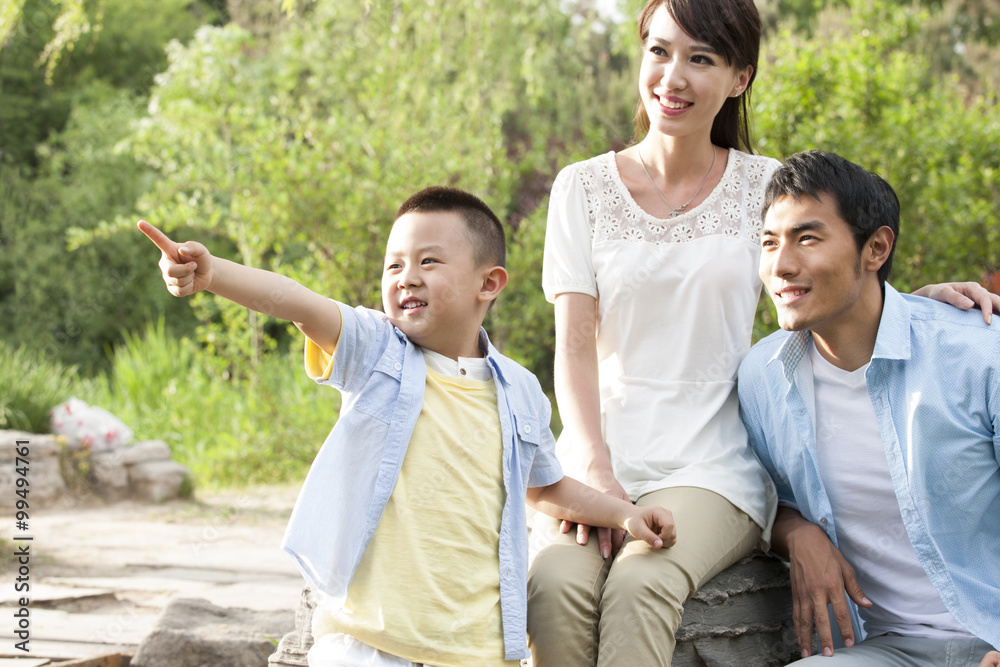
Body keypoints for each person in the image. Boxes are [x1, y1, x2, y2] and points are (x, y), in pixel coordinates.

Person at [526, 0, 998, 664]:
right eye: (659, 51)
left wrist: (916, 305)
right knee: (553, 583)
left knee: (641, 580)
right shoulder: (582, 188)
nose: (673, 76)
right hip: (602, 450)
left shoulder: (760, 185)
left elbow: (818, 278)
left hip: (713, 459)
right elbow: (573, 343)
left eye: (701, 58)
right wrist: (595, 469)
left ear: (739, 78)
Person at [137, 186, 677, 667]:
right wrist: (214, 274)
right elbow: (295, 302)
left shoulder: (518, 390)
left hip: (476, 649)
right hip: (369, 640)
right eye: (394, 265)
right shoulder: (377, 352)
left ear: (488, 283)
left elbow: (546, 486)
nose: (406, 277)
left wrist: (625, 516)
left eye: (429, 261)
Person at [738, 150, 1000, 667]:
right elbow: (765, 497)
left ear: (875, 248)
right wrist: (796, 533)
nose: (780, 265)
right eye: (769, 242)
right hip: (881, 649)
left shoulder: (976, 354)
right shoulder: (762, 376)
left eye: (806, 238)